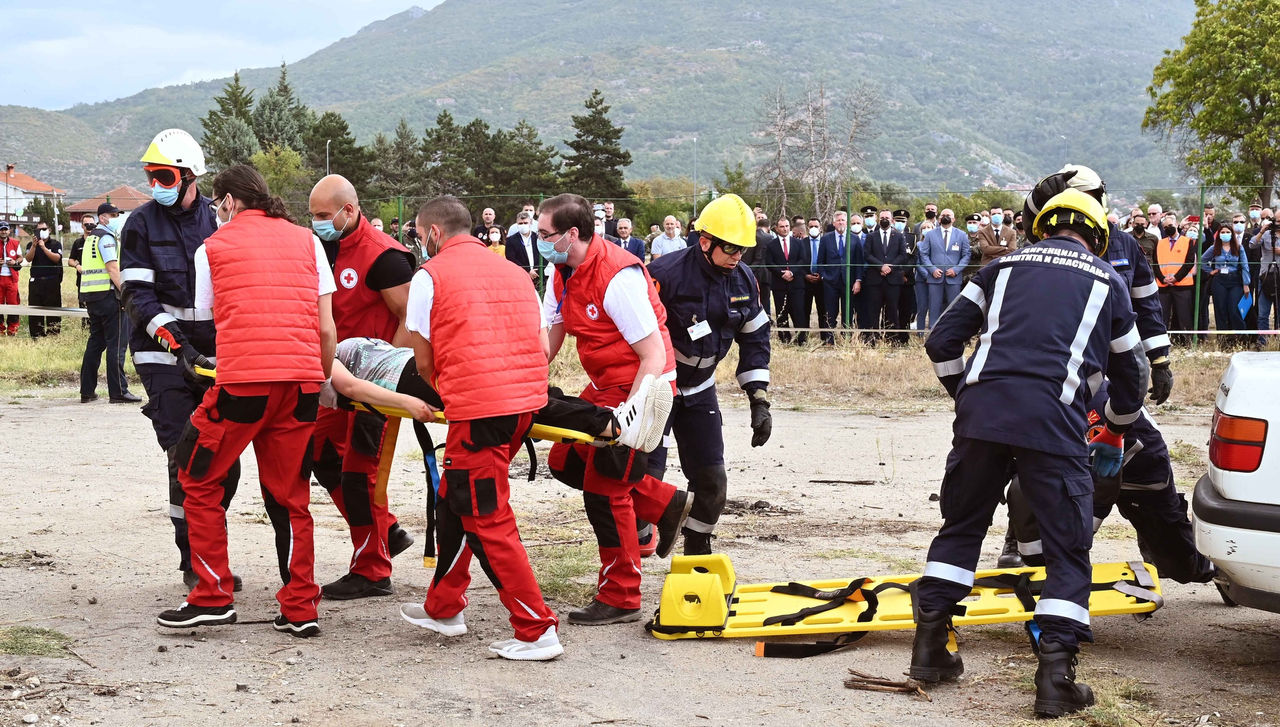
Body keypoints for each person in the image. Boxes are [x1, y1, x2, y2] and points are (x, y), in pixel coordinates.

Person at [914, 188, 1146, 718]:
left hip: (982, 418)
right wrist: (1114, 428)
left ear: (1043, 225)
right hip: (1053, 422)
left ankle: (930, 651)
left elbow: (941, 342)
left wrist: (967, 396)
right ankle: (1055, 679)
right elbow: (1133, 371)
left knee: (961, 527)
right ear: (1098, 235)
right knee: (1068, 549)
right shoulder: (1107, 280)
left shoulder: (999, 268)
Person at [156, 164, 336, 637]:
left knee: (196, 475)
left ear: (230, 202)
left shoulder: (211, 248)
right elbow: (324, 328)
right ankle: (301, 606)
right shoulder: (308, 241)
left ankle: (212, 594)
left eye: (218, 204)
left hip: (243, 385)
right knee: (293, 498)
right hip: (300, 385)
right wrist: (317, 380)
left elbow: (215, 320)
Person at [396, 196, 564, 660]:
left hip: (479, 410)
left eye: (418, 234)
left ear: (431, 233)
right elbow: (538, 340)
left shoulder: (429, 276)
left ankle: (536, 628)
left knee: (485, 517)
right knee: (456, 496)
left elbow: (423, 359)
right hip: (523, 404)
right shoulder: (514, 270)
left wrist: (454, 393)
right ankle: (444, 606)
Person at [539, 193, 692, 625]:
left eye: (546, 234)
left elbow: (652, 356)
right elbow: (549, 338)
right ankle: (665, 503)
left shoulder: (616, 276)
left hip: (644, 382)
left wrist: (630, 415)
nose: (539, 241)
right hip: (606, 383)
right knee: (565, 459)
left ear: (573, 233)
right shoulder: (561, 272)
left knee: (605, 489)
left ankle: (622, 596)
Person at [120, 130, 230, 588]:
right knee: (184, 452)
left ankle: (212, 551)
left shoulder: (219, 221)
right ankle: (194, 559)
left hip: (215, 355)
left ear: (190, 177)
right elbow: (137, 296)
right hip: (161, 354)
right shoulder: (139, 224)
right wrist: (180, 346)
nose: (155, 185)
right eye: (150, 176)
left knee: (224, 456)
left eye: (163, 176)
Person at [307, 174, 417, 600]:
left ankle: (372, 567)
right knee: (317, 453)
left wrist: (385, 371)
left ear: (348, 210)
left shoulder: (384, 256)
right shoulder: (323, 247)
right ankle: (385, 530)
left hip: (374, 386)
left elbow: (412, 319)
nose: (316, 222)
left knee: (361, 474)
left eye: (322, 215)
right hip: (334, 377)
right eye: (312, 215)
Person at [647, 194, 772, 555]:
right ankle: (631, 558)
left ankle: (697, 551)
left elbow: (755, 337)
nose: (737, 256)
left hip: (701, 389)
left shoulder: (744, 280)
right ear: (705, 242)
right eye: (731, 248)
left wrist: (758, 398)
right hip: (658, 388)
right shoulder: (663, 275)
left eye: (743, 250)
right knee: (646, 480)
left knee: (713, 482)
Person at [1008, 380, 1214, 585]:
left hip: (1137, 472)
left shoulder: (1094, 404)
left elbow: (1104, 482)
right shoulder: (1026, 393)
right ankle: (1021, 547)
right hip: (1081, 468)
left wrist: (1081, 536)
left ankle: (1216, 559)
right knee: (1024, 486)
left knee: (1180, 567)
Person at [80, 204, 141, 404]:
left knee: (95, 343)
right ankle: (118, 392)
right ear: (103, 218)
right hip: (108, 297)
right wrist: (126, 293)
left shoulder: (91, 238)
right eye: (113, 215)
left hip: (91, 296)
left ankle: (87, 391)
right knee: (117, 345)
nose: (116, 218)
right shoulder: (106, 238)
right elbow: (112, 268)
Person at [917, 208, 970, 329]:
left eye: (949, 215)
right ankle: (932, 334)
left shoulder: (961, 235)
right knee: (934, 308)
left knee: (953, 308)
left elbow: (966, 255)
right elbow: (924, 254)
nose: (946, 217)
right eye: (943, 215)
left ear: (954, 219)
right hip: (935, 278)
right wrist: (932, 269)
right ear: (939, 218)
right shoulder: (930, 234)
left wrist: (956, 270)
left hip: (954, 279)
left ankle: (952, 333)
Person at [861, 209, 908, 343]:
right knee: (873, 310)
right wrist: (880, 266)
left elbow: (902, 255)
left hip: (893, 280)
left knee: (892, 310)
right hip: (875, 280)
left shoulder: (899, 236)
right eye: (882, 217)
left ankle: (892, 339)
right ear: (878, 220)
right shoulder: (871, 236)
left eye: (887, 217)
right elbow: (867, 255)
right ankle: (873, 338)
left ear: (892, 220)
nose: (884, 220)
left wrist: (889, 266)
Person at [1153, 212, 1197, 341]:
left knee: (1184, 316)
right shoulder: (1159, 243)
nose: (1168, 228)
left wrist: (1176, 278)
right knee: (1163, 316)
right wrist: (1163, 278)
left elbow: (1189, 263)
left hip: (1182, 285)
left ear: (1177, 225)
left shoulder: (1188, 241)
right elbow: (1155, 264)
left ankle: (1186, 341)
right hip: (1163, 286)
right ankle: (1162, 341)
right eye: (1165, 227)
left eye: (1170, 225)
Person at [1201, 224, 1251, 334]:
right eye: (1222, 232)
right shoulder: (1214, 247)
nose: (1225, 234)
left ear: (1232, 234)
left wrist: (1246, 283)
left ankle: (1241, 338)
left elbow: (1245, 266)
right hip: (1219, 281)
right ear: (1219, 235)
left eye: (1227, 232)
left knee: (1234, 310)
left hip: (1235, 280)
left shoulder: (1239, 247)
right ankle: (1223, 339)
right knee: (1220, 310)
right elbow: (1202, 261)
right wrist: (1210, 271)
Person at [817, 210, 855, 342]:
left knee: (847, 312)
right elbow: (820, 261)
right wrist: (823, 277)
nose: (840, 222)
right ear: (834, 223)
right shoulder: (826, 239)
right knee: (830, 312)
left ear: (847, 223)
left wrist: (857, 280)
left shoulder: (854, 239)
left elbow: (858, 262)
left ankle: (847, 339)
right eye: (838, 220)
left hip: (848, 281)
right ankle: (829, 339)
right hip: (830, 282)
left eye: (843, 220)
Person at [765, 216, 804, 343]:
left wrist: (792, 272)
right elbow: (769, 262)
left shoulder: (798, 243)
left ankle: (801, 339)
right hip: (779, 284)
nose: (785, 229)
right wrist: (781, 273)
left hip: (796, 283)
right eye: (782, 226)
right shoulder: (771, 244)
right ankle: (784, 338)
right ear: (776, 229)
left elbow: (802, 260)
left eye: (787, 226)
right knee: (781, 312)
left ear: (790, 227)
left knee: (798, 311)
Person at [23, 220, 63, 337]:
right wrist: (35, 246)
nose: (42, 232)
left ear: (49, 230)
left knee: (53, 310)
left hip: (52, 282)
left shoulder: (55, 244)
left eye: (44, 229)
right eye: (39, 230)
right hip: (36, 282)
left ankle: (53, 334)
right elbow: (28, 259)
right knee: (35, 310)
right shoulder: (31, 245)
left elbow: (57, 258)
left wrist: (44, 247)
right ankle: (37, 335)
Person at [1248, 215, 1278, 344]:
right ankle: (1262, 341)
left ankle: (1277, 341)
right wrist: (1262, 231)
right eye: (1277, 221)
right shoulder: (1267, 234)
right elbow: (1252, 245)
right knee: (1262, 313)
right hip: (1266, 277)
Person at [505, 210, 541, 286]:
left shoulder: (538, 238)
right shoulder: (511, 240)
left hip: (538, 276)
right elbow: (511, 258)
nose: (523, 225)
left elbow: (544, 255)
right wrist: (527, 271)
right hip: (520, 277)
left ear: (530, 223)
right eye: (520, 223)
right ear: (516, 224)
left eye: (525, 223)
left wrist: (536, 271)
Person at [0, 223, 20, 335]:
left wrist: (15, 262)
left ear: (9, 231)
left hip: (12, 278)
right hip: (0, 278)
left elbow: (21, 257)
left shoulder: (15, 243)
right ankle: (0, 330)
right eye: (1, 230)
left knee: (13, 304)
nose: (3, 232)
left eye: (5, 230)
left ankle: (12, 330)